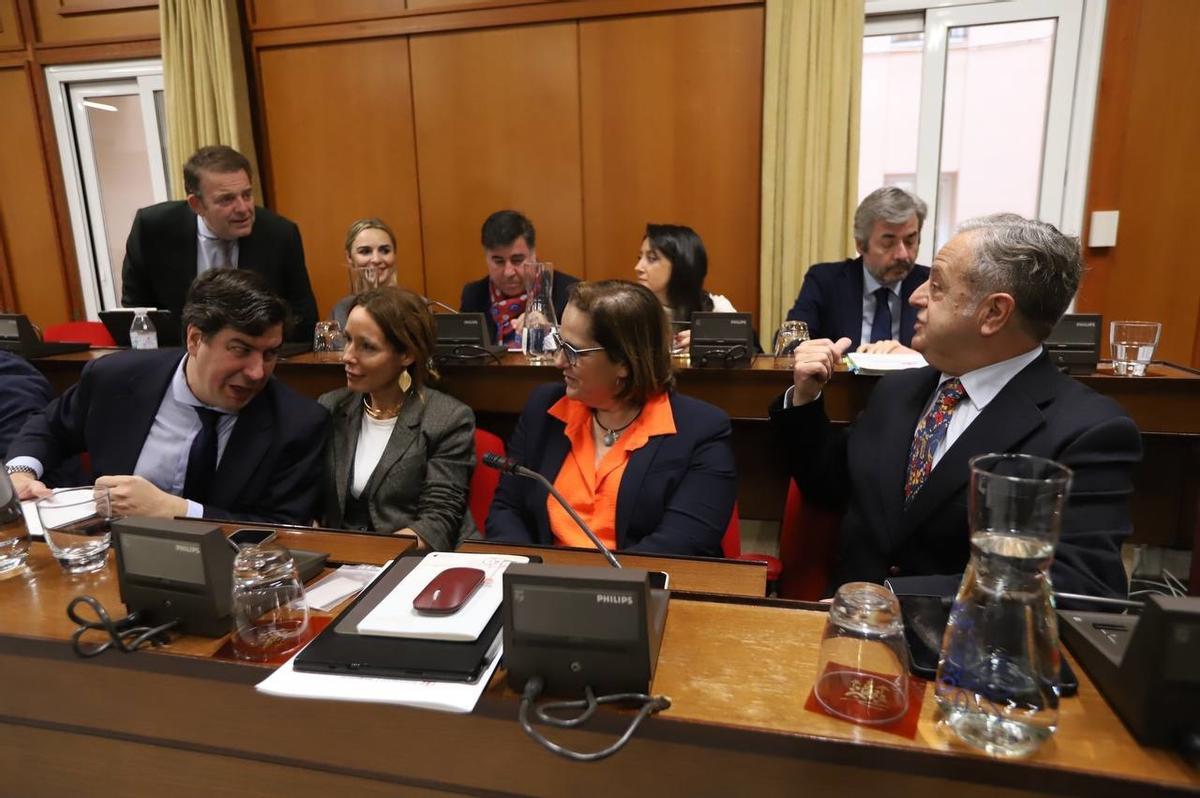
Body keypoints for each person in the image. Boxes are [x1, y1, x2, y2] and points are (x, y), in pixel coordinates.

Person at [770, 214, 1141, 599]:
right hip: (846, 640)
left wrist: (891, 601)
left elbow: (1080, 586)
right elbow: (828, 489)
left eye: (937, 286)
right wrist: (805, 398)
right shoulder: (897, 391)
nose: (915, 296)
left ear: (994, 313)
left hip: (964, 651)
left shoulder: (1087, 432)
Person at [6, 270, 328, 524]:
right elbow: (49, 427)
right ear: (195, 339)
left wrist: (177, 510)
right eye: (240, 350)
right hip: (110, 554)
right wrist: (20, 472)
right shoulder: (116, 379)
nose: (258, 372)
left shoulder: (298, 423)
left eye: (270, 354)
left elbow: (284, 530)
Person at [486, 280, 737, 556]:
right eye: (559, 343)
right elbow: (506, 511)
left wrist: (601, 588)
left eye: (573, 351)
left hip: (642, 589)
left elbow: (683, 545)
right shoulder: (545, 408)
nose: (559, 361)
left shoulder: (701, 431)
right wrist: (534, 574)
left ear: (625, 363)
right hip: (544, 584)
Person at [318, 286, 477, 550]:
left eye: (367, 347)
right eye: (347, 340)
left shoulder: (447, 419)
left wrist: (369, 554)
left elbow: (437, 522)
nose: (347, 356)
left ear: (406, 354)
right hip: (339, 562)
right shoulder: (331, 406)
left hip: (411, 562)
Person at [121, 145, 318, 342]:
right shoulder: (153, 229)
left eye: (247, 195)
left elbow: (303, 319)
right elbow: (137, 312)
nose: (243, 208)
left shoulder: (279, 234)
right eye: (227, 199)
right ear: (196, 205)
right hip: (179, 357)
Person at [785, 186, 930, 353]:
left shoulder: (930, 285)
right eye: (888, 243)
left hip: (911, 379)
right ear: (861, 244)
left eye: (910, 241)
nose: (902, 254)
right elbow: (790, 344)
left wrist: (918, 360)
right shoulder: (825, 281)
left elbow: (954, 357)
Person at [459, 210, 579, 348]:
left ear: (533, 254)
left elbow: (583, 354)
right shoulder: (473, 295)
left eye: (517, 260)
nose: (508, 272)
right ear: (486, 258)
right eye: (498, 261)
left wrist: (551, 333)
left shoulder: (569, 293)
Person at [634, 223, 736, 351]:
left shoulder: (717, 310)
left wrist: (710, 346)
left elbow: (747, 358)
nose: (638, 268)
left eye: (652, 258)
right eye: (639, 258)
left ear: (680, 266)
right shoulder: (631, 310)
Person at [332, 218, 399, 328]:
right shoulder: (340, 311)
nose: (376, 259)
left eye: (385, 251)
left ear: (394, 254)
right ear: (349, 257)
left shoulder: (417, 307)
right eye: (365, 251)